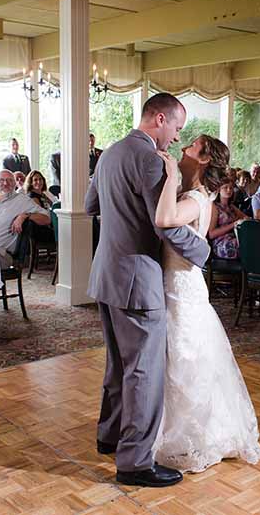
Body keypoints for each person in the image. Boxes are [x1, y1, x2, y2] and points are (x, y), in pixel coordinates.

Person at [84, 93, 211, 488]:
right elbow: (167, 225)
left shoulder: (110, 153)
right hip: (138, 279)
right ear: (159, 118)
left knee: (118, 366)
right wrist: (204, 251)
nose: (176, 137)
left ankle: (110, 437)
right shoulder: (151, 159)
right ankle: (135, 462)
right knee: (144, 372)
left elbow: (90, 206)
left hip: (105, 274)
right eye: (176, 127)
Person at [153, 134, 260, 472]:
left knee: (184, 358)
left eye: (190, 146)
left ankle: (188, 437)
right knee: (179, 358)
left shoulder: (197, 199)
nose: (183, 146)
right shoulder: (197, 194)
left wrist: (171, 176)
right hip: (177, 283)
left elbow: (164, 219)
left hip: (181, 286)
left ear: (202, 159)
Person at [0, 170, 50, 268]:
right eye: (1, 180)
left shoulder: (22, 200)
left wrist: (26, 215)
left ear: (15, 184)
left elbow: (47, 218)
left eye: (10, 180)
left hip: (1, 253)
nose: (5, 183)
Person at [208, 178, 248, 259]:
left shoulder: (231, 206)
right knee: (247, 246)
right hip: (221, 243)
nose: (229, 190)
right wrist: (233, 224)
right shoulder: (215, 207)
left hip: (235, 237)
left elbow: (246, 218)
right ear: (219, 190)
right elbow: (211, 234)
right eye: (225, 187)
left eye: (231, 187)